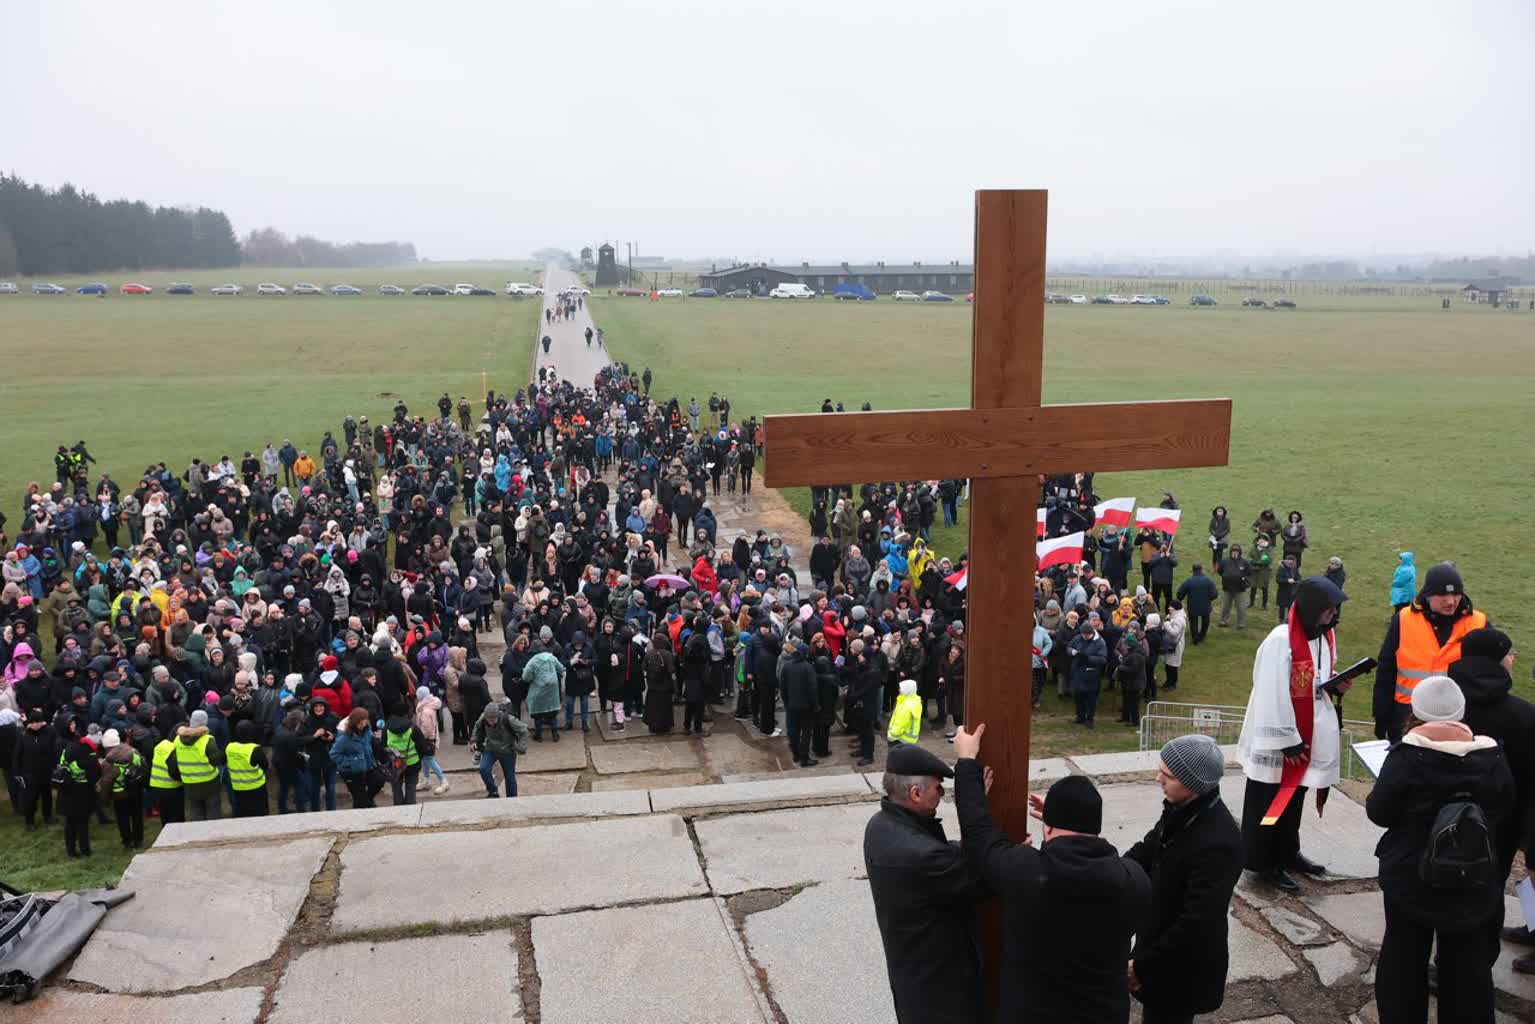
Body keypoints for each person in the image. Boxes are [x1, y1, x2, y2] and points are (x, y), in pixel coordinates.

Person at [952, 724, 1150, 1024]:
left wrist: (967, 762)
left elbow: (979, 834)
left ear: (1046, 827)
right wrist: (1066, 821)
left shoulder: (1024, 870)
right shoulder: (1133, 880)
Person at [1366, 676, 1514, 1024]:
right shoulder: (1492, 757)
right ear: (1460, 713)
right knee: (1468, 964)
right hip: (1472, 872)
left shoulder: (1406, 757)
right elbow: (1504, 807)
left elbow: (1380, 812)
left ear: (1416, 712)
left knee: (1403, 957)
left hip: (1411, 872)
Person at [1235, 576, 1348, 893]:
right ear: (1314, 610)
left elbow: (1312, 679)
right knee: (1270, 805)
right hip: (1281, 742)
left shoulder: (1322, 638)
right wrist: (1286, 740)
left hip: (1306, 733)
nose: (1334, 617)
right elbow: (1271, 691)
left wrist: (1334, 682)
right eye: (1329, 611)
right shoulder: (1280, 640)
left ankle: (1287, 850)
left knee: (1294, 798)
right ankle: (1263, 861)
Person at [863, 744, 988, 1024]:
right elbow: (981, 880)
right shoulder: (922, 855)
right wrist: (979, 809)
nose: (942, 795)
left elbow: (945, 855)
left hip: (914, 980)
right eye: (938, 789)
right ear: (916, 794)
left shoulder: (881, 825)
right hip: (942, 996)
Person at [1125, 735, 1243, 1024]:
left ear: (1193, 783)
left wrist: (1142, 967)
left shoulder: (1219, 842)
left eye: (1167, 775)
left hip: (1180, 969)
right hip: (1158, 952)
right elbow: (1143, 852)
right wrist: (1081, 845)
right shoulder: (1182, 811)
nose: (1158, 779)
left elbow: (1197, 921)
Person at [1447, 628, 1535, 969]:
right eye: (1509, 654)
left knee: (1450, 890)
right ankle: (1477, 965)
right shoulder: (1524, 715)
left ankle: (1448, 962)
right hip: (1504, 824)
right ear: (1498, 661)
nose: (1514, 659)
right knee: (1489, 891)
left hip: (1447, 820)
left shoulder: (1447, 707)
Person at [1373, 561, 1487, 743]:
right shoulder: (1403, 619)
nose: (1451, 601)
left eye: (1456, 594)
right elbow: (1387, 669)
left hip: (1459, 721)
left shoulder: (1479, 622)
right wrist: (1381, 714)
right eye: (1443, 595)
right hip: (1408, 719)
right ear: (1428, 594)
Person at [168, 708, 225, 821]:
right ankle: (214, 835)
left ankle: (198, 835)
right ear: (205, 723)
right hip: (209, 783)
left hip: (189, 783)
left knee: (196, 811)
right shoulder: (207, 740)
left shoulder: (178, 740)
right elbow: (216, 760)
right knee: (213, 811)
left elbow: (173, 761)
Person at [472, 701, 528, 798]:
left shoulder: (509, 719)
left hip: (507, 751)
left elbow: (524, 730)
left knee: (510, 776)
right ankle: (493, 791)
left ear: (498, 715)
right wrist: (473, 740)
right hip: (490, 749)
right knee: (483, 769)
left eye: (494, 719)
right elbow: (477, 727)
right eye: (489, 720)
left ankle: (512, 799)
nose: (491, 722)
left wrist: (520, 747)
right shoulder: (483, 717)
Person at [57, 737, 101, 858]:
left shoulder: (64, 756)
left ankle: (70, 851)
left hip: (66, 792)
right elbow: (95, 777)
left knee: (69, 824)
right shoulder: (87, 761)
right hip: (83, 793)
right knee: (82, 823)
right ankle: (85, 850)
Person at [329, 707, 379, 809]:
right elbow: (334, 754)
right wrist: (351, 762)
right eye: (360, 723)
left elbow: (370, 744)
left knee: (378, 781)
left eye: (364, 722)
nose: (362, 725)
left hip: (368, 767)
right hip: (351, 772)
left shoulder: (367, 732)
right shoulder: (344, 738)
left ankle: (367, 803)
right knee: (360, 799)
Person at [226, 720, 270, 817]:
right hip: (256, 787)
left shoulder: (229, 747)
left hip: (238, 787)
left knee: (242, 813)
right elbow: (265, 765)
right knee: (260, 813)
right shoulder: (254, 748)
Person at [1068, 618, 1107, 728]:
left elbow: (1103, 659)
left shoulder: (1100, 642)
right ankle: (1080, 717)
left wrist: (1088, 658)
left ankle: (1090, 719)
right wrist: (1072, 652)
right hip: (1077, 673)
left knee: (1091, 699)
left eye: (1087, 635)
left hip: (1091, 675)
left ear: (1091, 633)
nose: (1085, 637)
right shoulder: (1078, 638)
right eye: (1083, 635)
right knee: (1078, 696)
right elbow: (1069, 647)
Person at [1175, 564, 1218, 644]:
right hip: (1205, 606)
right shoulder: (1208, 581)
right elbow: (1214, 594)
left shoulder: (1189, 581)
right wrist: (1209, 599)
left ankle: (1195, 637)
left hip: (1192, 606)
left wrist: (1180, 599)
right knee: (1205, 621)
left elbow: (1180, 594)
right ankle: (1202, 635)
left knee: (1193, 622)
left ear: (1193, 570)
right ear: (1202, 569)